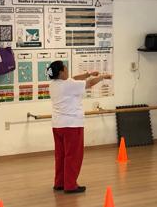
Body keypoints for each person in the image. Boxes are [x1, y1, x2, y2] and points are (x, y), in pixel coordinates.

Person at [46, 61, 112, 194]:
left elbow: (73, 79)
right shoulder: (68, 85)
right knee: (73, 156)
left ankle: (59, 183)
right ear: (61, 72)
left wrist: (88, 74)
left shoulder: (53, 84)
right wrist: (102, 77)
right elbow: (89, 84)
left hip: (58, 125)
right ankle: (70, 185)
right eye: (65, 68)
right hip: (72, 125)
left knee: (61, 155)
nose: (67, 70)